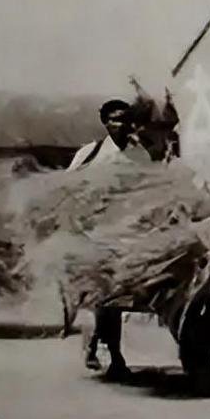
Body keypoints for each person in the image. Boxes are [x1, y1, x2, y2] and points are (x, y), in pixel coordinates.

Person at [68, 99, 153, 378]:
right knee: (105, 294)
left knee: (116, 296)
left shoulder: (140, 155)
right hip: (95, 233)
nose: (122, 124)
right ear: (105, 122)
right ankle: (113, 354)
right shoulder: (89, 155)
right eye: (116, 119)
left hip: (129, 234)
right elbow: (66, 191)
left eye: (126, 118)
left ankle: (98, 345)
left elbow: (154, 191)